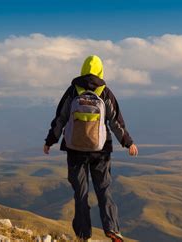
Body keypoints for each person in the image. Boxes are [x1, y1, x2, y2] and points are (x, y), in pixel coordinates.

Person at [43, 55, 138, 242]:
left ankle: (83, 235)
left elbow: (60, 119)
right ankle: (112, 228)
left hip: (74, 149)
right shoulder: (105, 92)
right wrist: (128, 142)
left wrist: (50, 140)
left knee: (80, 193)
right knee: (103, 189)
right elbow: (115, 122)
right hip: (100, 150)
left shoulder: (73, 91)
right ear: (100, 70)